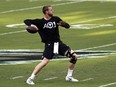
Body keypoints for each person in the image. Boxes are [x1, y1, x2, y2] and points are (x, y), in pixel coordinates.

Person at [24, 5, 78, 85]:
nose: (53, 11)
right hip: (49, 45)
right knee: (44, 62)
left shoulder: (56, 19)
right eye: (51, 10)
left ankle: (69, 76)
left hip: (58, 43)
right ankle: (30, 78)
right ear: (46, 11)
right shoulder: (40, 22)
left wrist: (63, 24)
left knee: (74, 56)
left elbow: (68, 26)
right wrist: (32, 25)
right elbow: (26, 20)